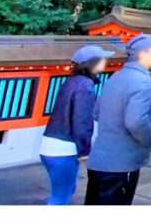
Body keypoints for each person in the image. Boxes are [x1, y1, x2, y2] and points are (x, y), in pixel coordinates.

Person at [85, 33, 151, 205]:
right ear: (144, 53)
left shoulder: (116, 76)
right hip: (121, 163)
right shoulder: (141, 81)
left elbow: (97, 112)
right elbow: (136, 122)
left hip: (100, 159)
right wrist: (150, 137)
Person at [40, 45, 114, 205]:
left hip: (49, 145)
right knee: (60, 198)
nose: (106, 62)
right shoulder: (85, 86)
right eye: (102, 59)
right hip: (64, 149)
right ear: (92, 63)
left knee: (62, 193)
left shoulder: (71, 82)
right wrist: (84, 150)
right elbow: (82, 122)